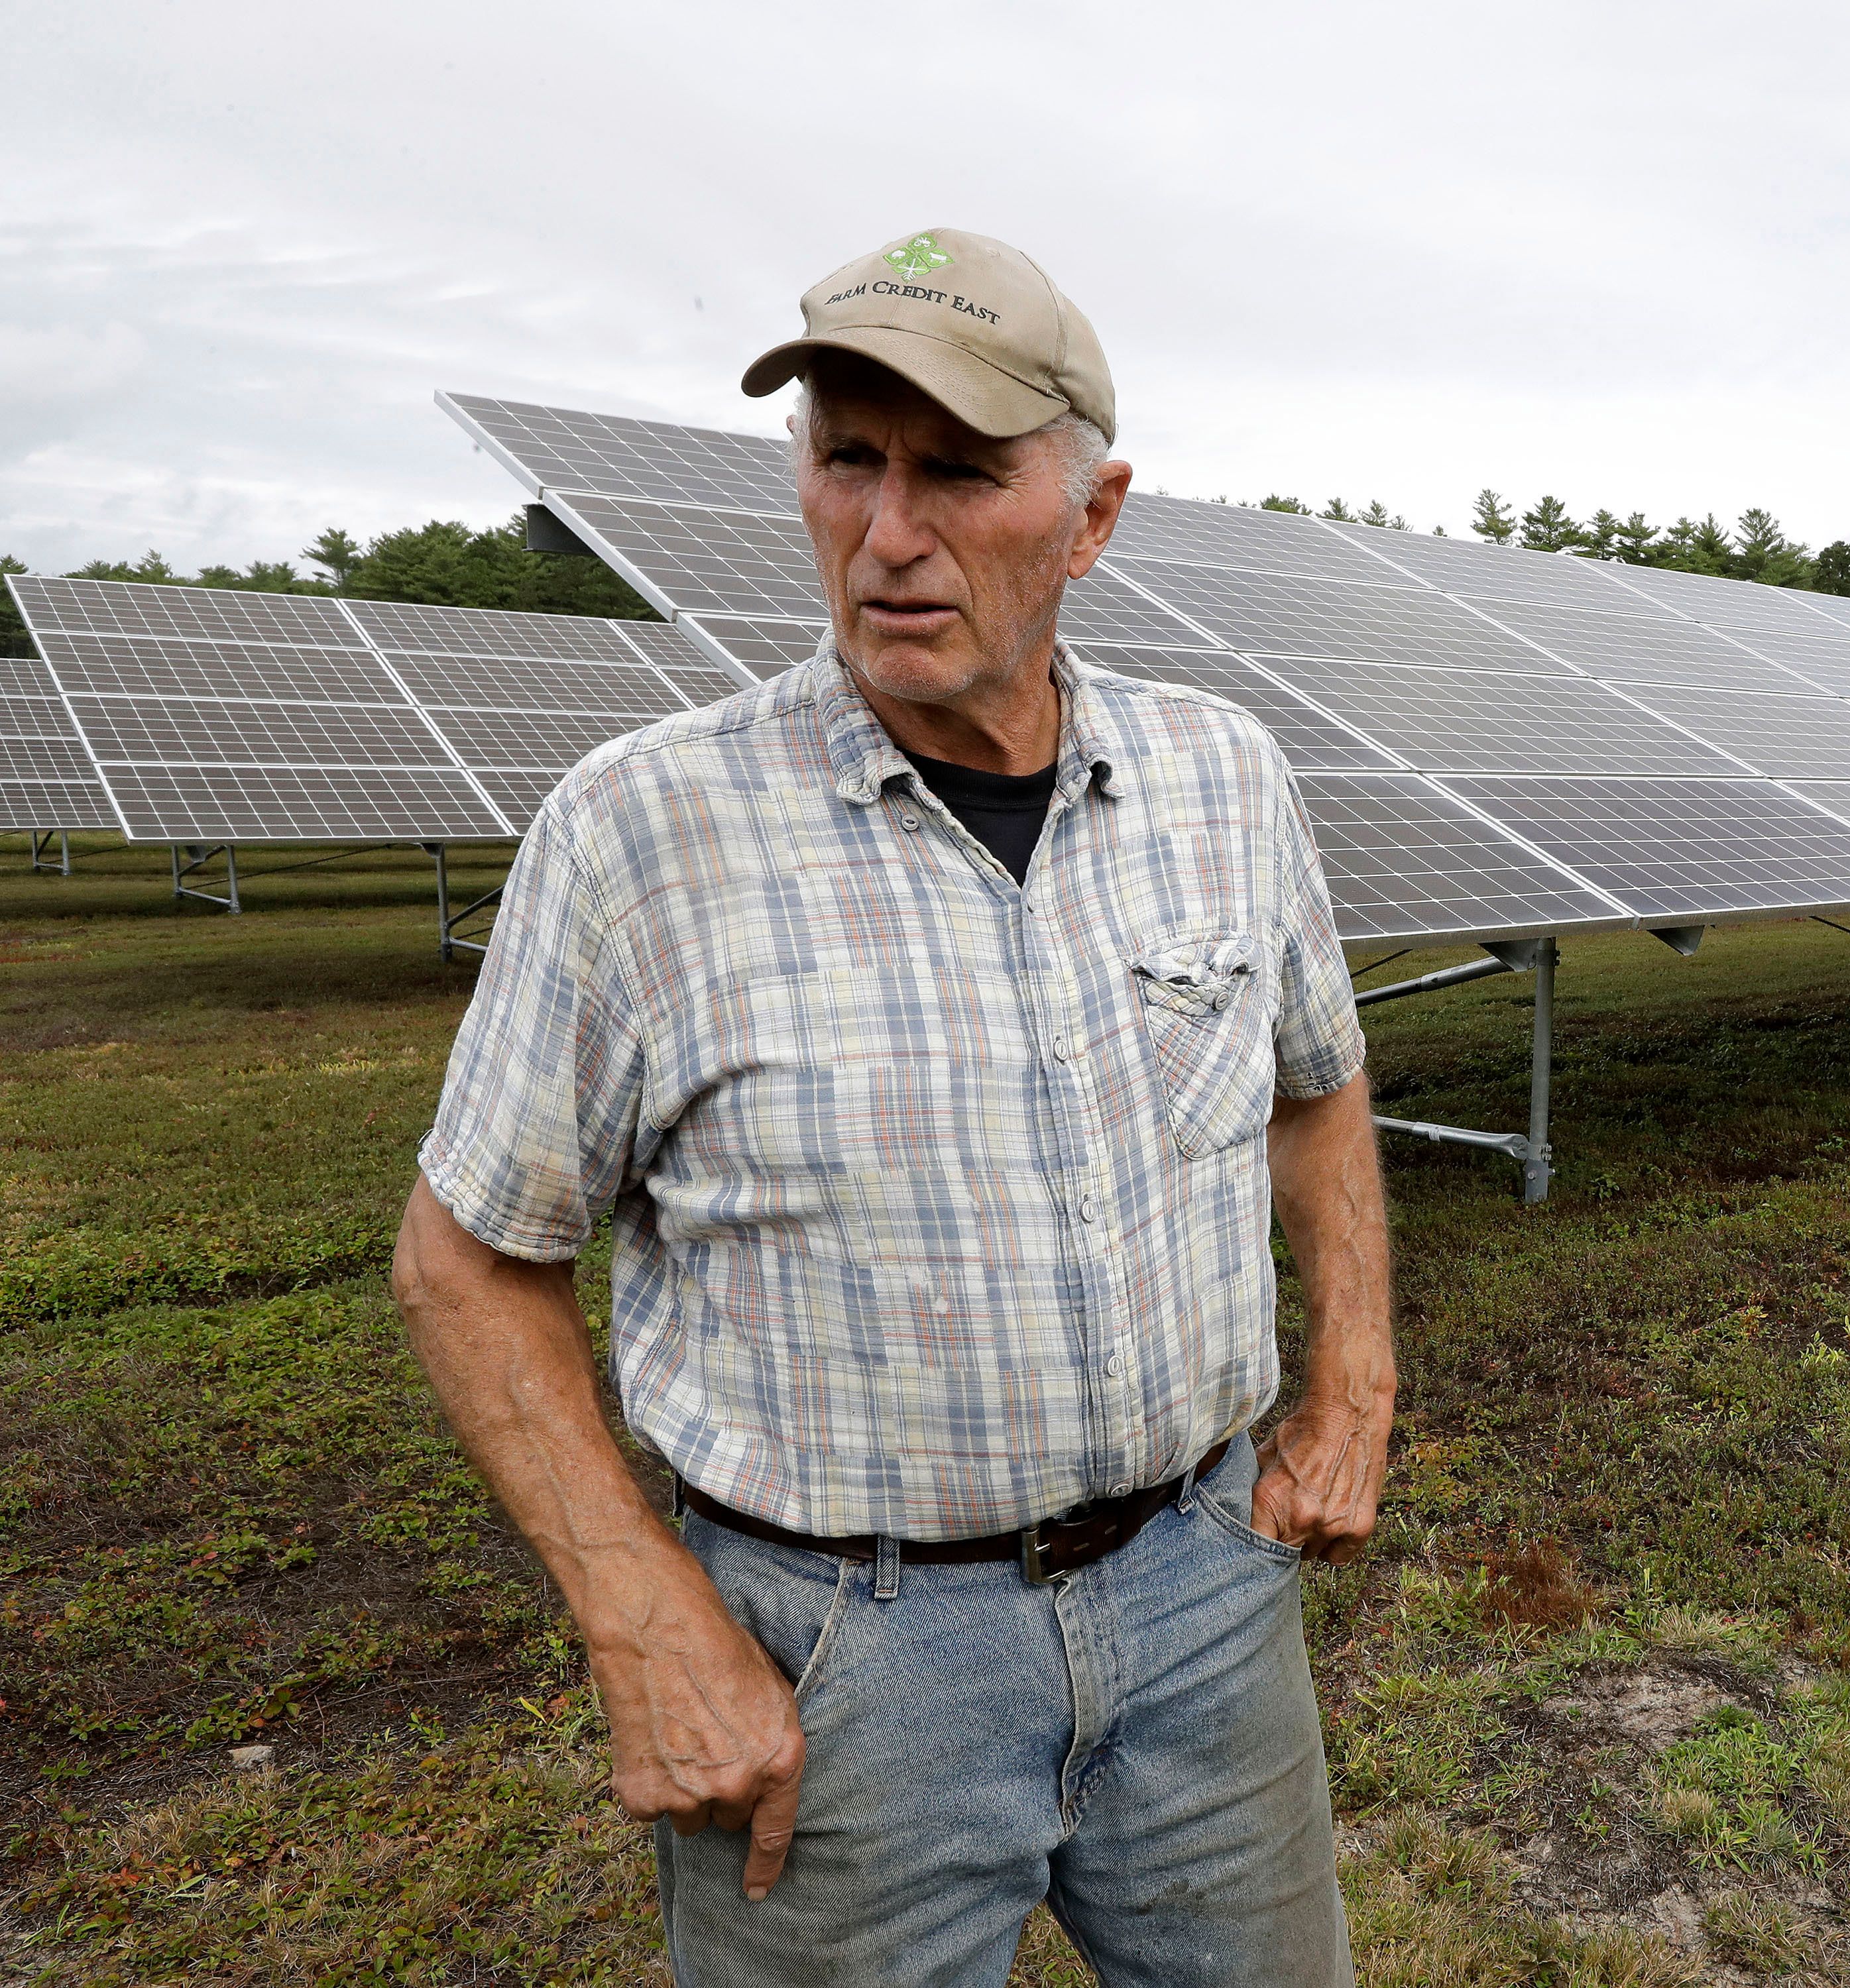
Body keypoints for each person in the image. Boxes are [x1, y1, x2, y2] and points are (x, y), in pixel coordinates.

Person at [392, 227, 1393, 1985]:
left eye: (957, 473)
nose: (888, 532)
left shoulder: (1223, 780)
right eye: (846, 459)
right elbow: (464, 1265)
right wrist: (638, 1610)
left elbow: (1315, 1088)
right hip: (835, 1656)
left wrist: (1354, 1389)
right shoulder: (641, 833)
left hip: (1202, 1591)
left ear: (1090, 519)